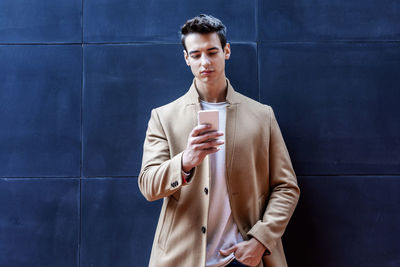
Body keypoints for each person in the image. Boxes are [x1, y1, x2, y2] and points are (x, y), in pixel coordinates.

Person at [138, 14, 300, 267]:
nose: (205, 62)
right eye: (196, 54)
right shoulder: (163, 117)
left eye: (212, 52)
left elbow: (286, 187)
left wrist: (261, 241)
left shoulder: (261, 115)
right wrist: (185, 161)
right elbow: (148, 185)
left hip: (244, 258)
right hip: (181, 259)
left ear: (226, 51)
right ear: (186, 58)